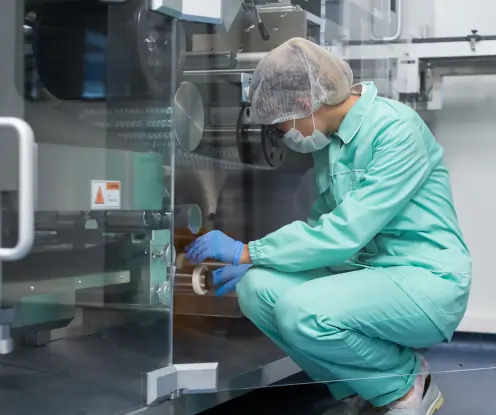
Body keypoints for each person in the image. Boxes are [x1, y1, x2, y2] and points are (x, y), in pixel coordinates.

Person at [185, 37, 471, 415]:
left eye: (280, 122)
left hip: (425, 282)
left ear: (305, 103)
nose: (282, 133)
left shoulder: (396, 129)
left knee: (303, 312)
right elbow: (321, 227)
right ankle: (364, 387)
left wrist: (248, 250)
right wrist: (260, 264)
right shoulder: (332, 145)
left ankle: (405, 386)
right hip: (366, 274)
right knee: (257, 289)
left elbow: (343, 234)